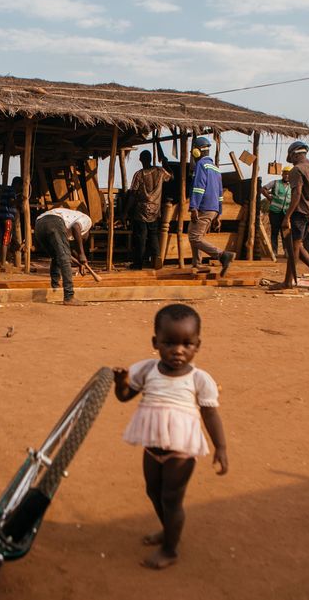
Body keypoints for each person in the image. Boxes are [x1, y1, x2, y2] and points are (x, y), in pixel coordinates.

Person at [113, 303, 228, 570]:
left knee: (171, 498)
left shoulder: (200, 380)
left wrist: (220, 447)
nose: (178, 350)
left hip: (181, 450)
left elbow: (210, 414)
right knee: (153, 491)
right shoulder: (146, 370)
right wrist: (121, 383)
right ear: (156, 342)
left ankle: (170, 549)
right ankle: (168, 529)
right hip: (152, 446)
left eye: (187, 344)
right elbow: (125, 397)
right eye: (169, 343)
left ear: (198, 345)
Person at [270, 141, 309, 291]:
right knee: (297, 246)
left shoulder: (297, 170)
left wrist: (286, 216)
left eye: (291, 157)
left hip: (299, 212)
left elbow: (297, 194)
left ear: (295, 154)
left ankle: (289, 282)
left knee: (293, 249)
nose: (291, 161)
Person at [187, 136, 234, 275]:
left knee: (195, 237)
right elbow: (220, 193)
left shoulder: (201, 165)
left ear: (196, 151)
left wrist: (193, 207)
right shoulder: (215, 168)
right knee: (194, 232)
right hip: (212, 209)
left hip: (203, 207)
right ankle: (197, 263)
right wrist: (218, 214)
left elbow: (198, 188)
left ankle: (223, 255)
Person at [33, 206, 94, 305]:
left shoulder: (68, 224)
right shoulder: (87, 221)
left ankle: (55, 287)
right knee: (64, 258)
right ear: (87, 233)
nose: (80, 241)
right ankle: (69, 297)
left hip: (39, 225)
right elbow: (76, 227)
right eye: (82, 240)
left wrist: (79, 263)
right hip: (54, 221)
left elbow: (67, 251)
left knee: (57, 255)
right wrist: (82, 254)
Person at [126, 150, 173, 270]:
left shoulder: (139, 174)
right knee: (153, 235)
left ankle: (138, 263)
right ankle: (157, 257)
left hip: (141, 211)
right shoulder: (160, 171)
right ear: (151, 158)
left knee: (141, 237)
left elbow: (132, 194)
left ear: (141, 159)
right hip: (155, 210)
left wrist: (126, 211)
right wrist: (165, 163)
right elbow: (171, 177)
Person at [260, 165, 292, 256]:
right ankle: (274, 251)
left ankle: (286, 251)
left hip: (286, 213)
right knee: (275, 231)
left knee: (285, 232)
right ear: (282, 174)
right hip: (275, 211)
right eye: (285, 174)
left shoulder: (292, 186)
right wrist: (269, 198)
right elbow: (263, 189)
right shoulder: (275, 183)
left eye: (289, 174)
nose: (287, 176)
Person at [0, 177, 20, 272]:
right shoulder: (12, 191)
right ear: (17, 184)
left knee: (7, 239)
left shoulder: (8, 190)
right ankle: (3, 262)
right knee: (6, 239)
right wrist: (20, 200)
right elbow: (11, 202)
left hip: (4, 217)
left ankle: (6, 260)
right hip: (7, 217)